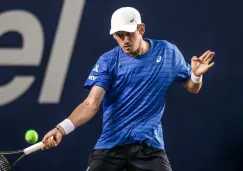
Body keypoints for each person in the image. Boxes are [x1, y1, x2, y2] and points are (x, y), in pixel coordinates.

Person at [41, 7, 215, 171]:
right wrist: (61, 129)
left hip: (150, 148)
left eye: (129, 34)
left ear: (141, 29)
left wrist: (196, 75)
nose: (124, 40)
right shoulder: (107, 61)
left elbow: (192, 88)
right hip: (111, 147)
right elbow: (91, 103)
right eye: (119, 35)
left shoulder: (168, 53)